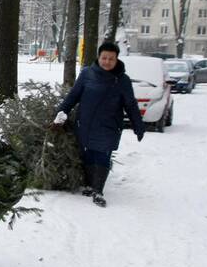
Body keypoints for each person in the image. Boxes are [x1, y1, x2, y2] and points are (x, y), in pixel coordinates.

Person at [53, 41, 145, 208]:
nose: (107, 61)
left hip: (109, 126)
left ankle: (98, 190)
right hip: (86, 124)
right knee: (88, 155)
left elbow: (130, 104)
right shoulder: (87, 74)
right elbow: (73, 96)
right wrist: (61, 114)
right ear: (99, 57)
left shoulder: (123, 80)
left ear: (117, 59)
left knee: (102, 155)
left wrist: (138, 125)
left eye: (111, 58)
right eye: (104, 58)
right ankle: (89, 185)